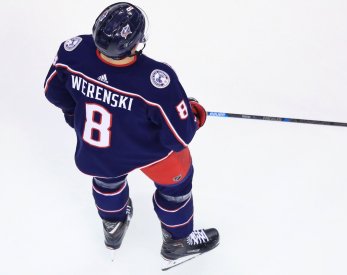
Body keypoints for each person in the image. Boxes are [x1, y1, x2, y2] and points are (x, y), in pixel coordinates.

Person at [43, 2, 219, 270]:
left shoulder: (73, 51)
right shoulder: (157, 80)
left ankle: (113, 226)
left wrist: (75, 116)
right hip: (149, 153)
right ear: (136, 44)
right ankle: (178, 242)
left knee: (106, 180)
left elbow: (53, 91)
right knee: (177, 188)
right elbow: (179, 136)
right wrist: (194, 114)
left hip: (96, 149)